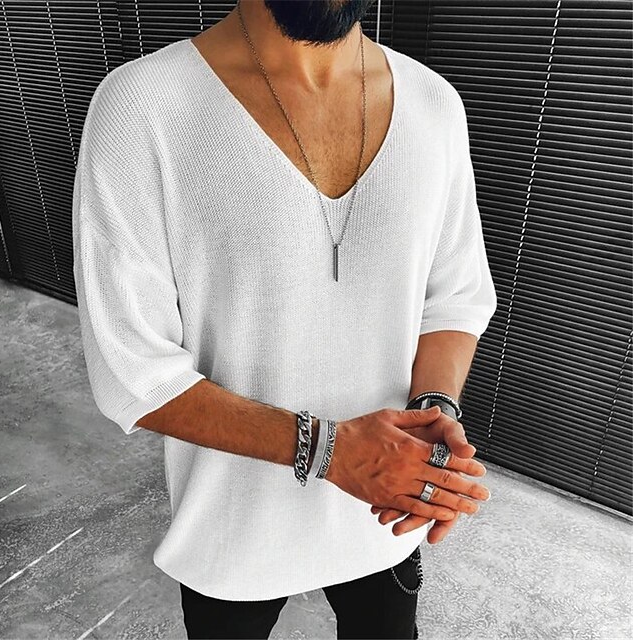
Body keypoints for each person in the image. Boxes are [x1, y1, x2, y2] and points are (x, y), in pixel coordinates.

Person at [72, 0, 497, 637]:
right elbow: (131, 371)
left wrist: (433, 411)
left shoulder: (432, 103)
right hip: (233, 530)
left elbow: (454, 295)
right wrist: (331, 451)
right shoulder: (143, 107)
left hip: (386, 509)